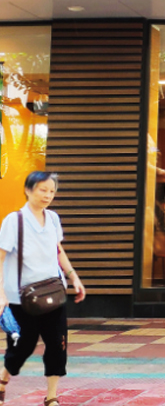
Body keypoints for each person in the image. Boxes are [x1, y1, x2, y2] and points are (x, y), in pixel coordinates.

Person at [0, 172, 86, 406]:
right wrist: (1, 294)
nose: (48, 195)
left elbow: (58, 250)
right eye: (42, 189)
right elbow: (1, 257)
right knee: (22, 346)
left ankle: (52, 397)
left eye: (52, 191)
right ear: (28, 190)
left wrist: (74, 277)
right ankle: (3, 378)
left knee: (57, 344)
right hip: (21, 297)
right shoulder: (14, 221)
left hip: (53, 292)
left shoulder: (53, 218)